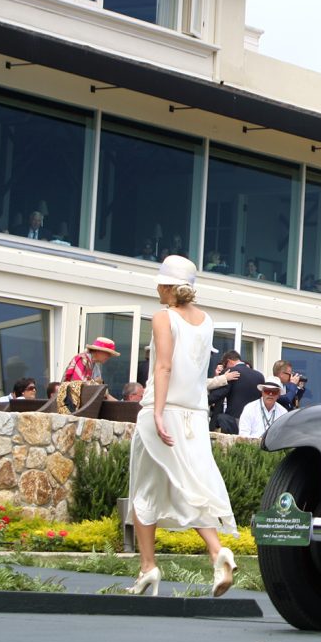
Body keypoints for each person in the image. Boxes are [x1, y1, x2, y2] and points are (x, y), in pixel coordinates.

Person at [126, 254, 237, 598]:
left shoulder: (163, 317)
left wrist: (157, 413)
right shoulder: (206, 321)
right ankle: (217, 552)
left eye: (159, 282)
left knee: (144, 489)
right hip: (194, 416)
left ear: (167, 286)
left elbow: (163, 367)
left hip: (164, 411)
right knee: (192, 483)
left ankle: (148, 567)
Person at [208, 349, 265, 434]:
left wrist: (207, 400)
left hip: (232, 421)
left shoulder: (230, 372)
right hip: (253, 421)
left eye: (224, 365)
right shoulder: (259, 376)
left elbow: (219, 394)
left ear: (229, 361)